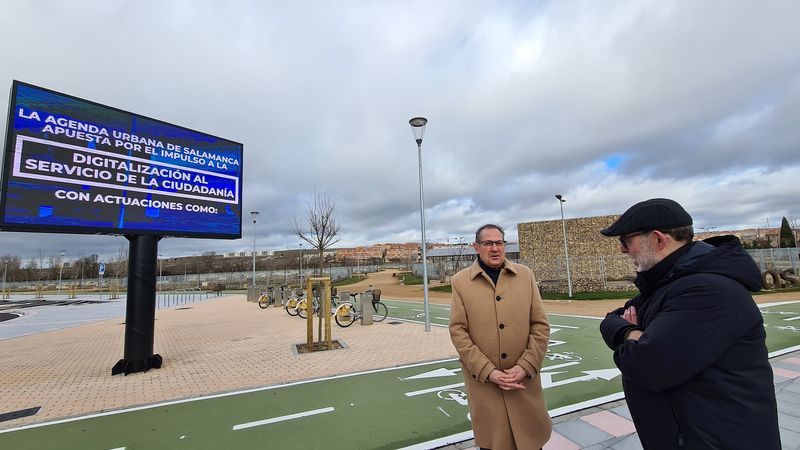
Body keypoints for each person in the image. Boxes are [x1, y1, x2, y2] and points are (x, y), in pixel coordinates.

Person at [599, 198, 780, 449]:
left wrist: (634, 340)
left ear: (658, 239)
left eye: (626, 240)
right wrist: (632, 332)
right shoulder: (668, 282)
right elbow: (610, 320)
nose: (622, 250)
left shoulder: (709, 291)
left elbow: (644, 365)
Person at [449, 224, 551, 449]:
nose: (494, 248)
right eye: (487, 243)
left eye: (499, 243)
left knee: (532, 441)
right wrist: (489, 371)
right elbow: (458, 331)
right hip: (486, 386)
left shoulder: (525, 276)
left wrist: (525, 366)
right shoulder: (460, 282)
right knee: (494, 442)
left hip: (523, 382)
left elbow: (540, 325)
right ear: (476, 247)